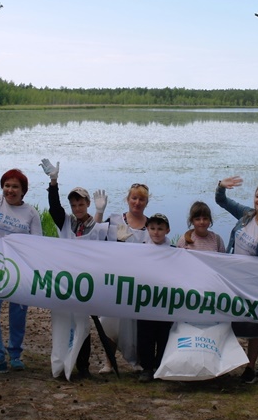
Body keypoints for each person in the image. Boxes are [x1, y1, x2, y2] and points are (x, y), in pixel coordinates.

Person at [0, 145, 42, 373]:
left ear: (23, 191)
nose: (10, 190)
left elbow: (36, 244)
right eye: (7, 185)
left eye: (15, 186)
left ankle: (15, 355)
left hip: (19, 269)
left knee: (17, 314)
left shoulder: (31, 213)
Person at [42, 158, 108, 379]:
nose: (77, 208)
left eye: (81, 204)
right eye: (74, 205)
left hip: (86, 282)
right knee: (63, 322)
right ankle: (61, 361)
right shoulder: (66, 222)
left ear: (88, 203)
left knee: (83, 324)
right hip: (64, 280)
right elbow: (53, 207)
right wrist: (53, 181)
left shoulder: (97, 224)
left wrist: (100, 213)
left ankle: (83, 366)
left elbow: (103, 244)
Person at [215, 175, 258, 383]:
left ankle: (250, 367)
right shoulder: (245, 215)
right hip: (232, 279)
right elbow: (222, 201)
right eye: (257, 196)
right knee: (227, 321)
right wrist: (221, 186)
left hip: (255, 284)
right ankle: (225, 363)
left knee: (255, 326)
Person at [97, 182, 151, 373]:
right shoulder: (115, 220)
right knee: (109, 321)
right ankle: (109, 362)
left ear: (147, 202)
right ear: (128, 200)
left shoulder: (151, 225)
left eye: (141, 199)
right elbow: (95, 238)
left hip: (140, 284)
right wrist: (99, 213)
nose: (137, 202)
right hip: (116, 281)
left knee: (134, 325)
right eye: (134, 198)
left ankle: (135, 360)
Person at [137, 213, 174, 383]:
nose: (156, 232)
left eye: (160, 229)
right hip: (146, 300)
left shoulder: (175, 251)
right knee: (145, 334)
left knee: (164, 335)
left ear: (167, 230)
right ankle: (146, 368)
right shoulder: (140, 249)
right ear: (147, 229)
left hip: (166, 301)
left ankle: (161, 366)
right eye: (152, 228)